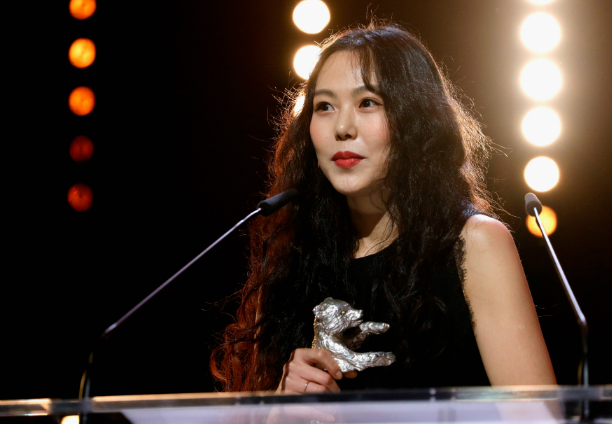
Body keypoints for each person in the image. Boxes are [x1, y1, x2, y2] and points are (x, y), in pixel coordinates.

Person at [210, 21, 557, 394]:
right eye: (324, 106)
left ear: (415, 120)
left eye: (367, 103)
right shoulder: (292, 258)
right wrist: (280, 408)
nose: (343, 127)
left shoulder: (474, 244)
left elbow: (538, 416)